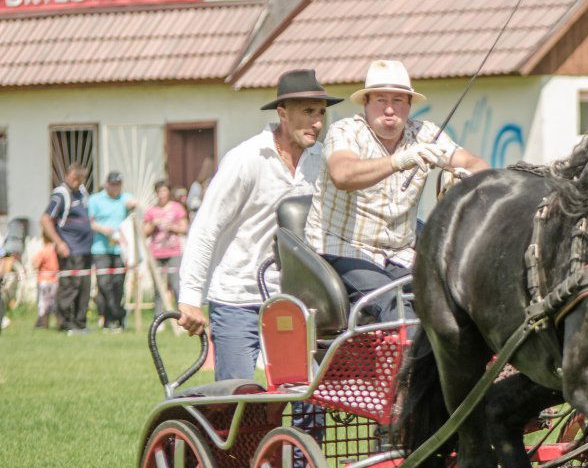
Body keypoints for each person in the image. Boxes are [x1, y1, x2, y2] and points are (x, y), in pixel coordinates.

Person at [177, 69, 342, 380]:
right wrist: (190, 297)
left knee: (305, 396)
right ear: (283, 113)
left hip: (295, 300)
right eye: (308, 112)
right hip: (238, 297)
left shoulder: (322, 161)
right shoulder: (247, 158)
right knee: (238, 395)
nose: (317, 122)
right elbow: (206, 228)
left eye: (321, 113)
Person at [305, 59, 489, 322]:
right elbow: (343, 174)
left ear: (410, 105)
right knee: (396, 308)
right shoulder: (345, 131)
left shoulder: (425, 133)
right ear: (366, 103)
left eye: (399, 100)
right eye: (381, 100)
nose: (390, 109)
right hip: (342, 249)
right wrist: (399, 161)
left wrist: (463, 177)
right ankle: (409, 349)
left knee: (451, 298)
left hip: (399, 254)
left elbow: (475, 164)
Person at [40, 163, 93, 335]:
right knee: (70, 287)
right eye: (73, 177)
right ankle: (65, 324)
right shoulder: (60, 195)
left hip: (85, 249)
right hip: (70, 249)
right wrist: (59, 243)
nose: (75, 181)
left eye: (78, 178)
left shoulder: (82, 192)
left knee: (84, 288)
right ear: (68, 175)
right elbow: (45, 219)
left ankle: (80, 323)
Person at [88, 171, 138, 331]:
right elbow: (90, 222)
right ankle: (116, 314)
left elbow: (133, 203)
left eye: (119, 185)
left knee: (118, 284)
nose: (116, 188)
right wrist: (104, 230)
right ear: (107, 184)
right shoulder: (95, 199)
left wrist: (132, 205)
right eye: (114, 184)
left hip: (120, 249)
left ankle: (112, 320)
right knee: (103, 283)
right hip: (100, 248)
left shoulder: (125, 197)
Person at [143, 179, 189, 316]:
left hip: (174, 252)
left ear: (168, 192)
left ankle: (181, 317)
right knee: (158, 288)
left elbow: (184, 228)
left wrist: (172, 227)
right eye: (159, 191)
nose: (161, 194)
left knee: (176, 285)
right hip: (156, 253)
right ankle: (158, 318)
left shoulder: (177, 208)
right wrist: (153, 224)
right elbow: (144, 232)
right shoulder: (151, 210)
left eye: (164, 190)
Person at [32, 232, 59, 328]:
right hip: (55, 281)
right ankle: (58, 323)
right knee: (54, 303)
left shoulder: (43, 251)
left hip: (43, 281)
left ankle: (43, 324)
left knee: (43, 303)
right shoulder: (55, 251)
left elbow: (35, 265)